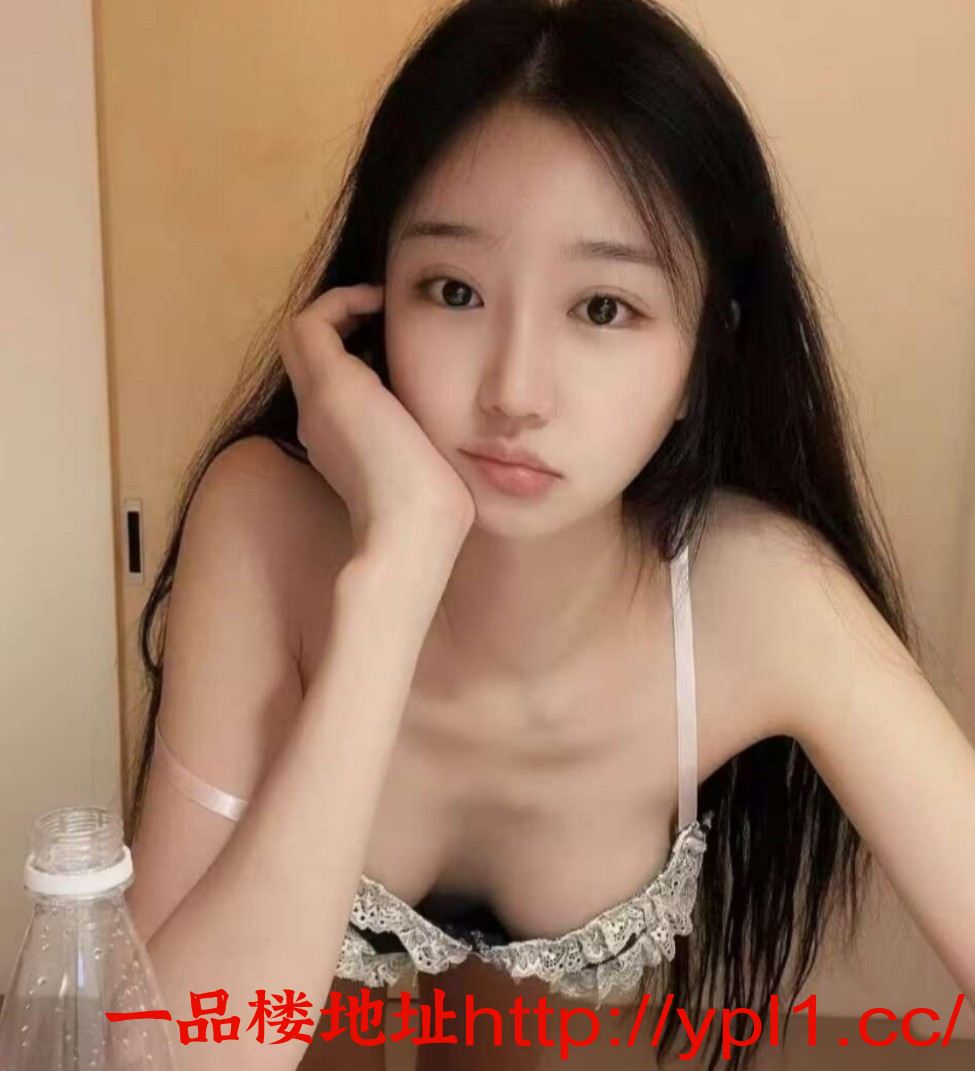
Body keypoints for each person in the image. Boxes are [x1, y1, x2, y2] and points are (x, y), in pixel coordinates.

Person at [122, 1, 975, 1069]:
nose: (515, 392)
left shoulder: (759, 596)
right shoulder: (267, 521)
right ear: (375, 303)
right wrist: (394, 574)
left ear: (703, 358)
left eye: (604, 307)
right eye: (454, 290)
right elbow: (161, 1054)